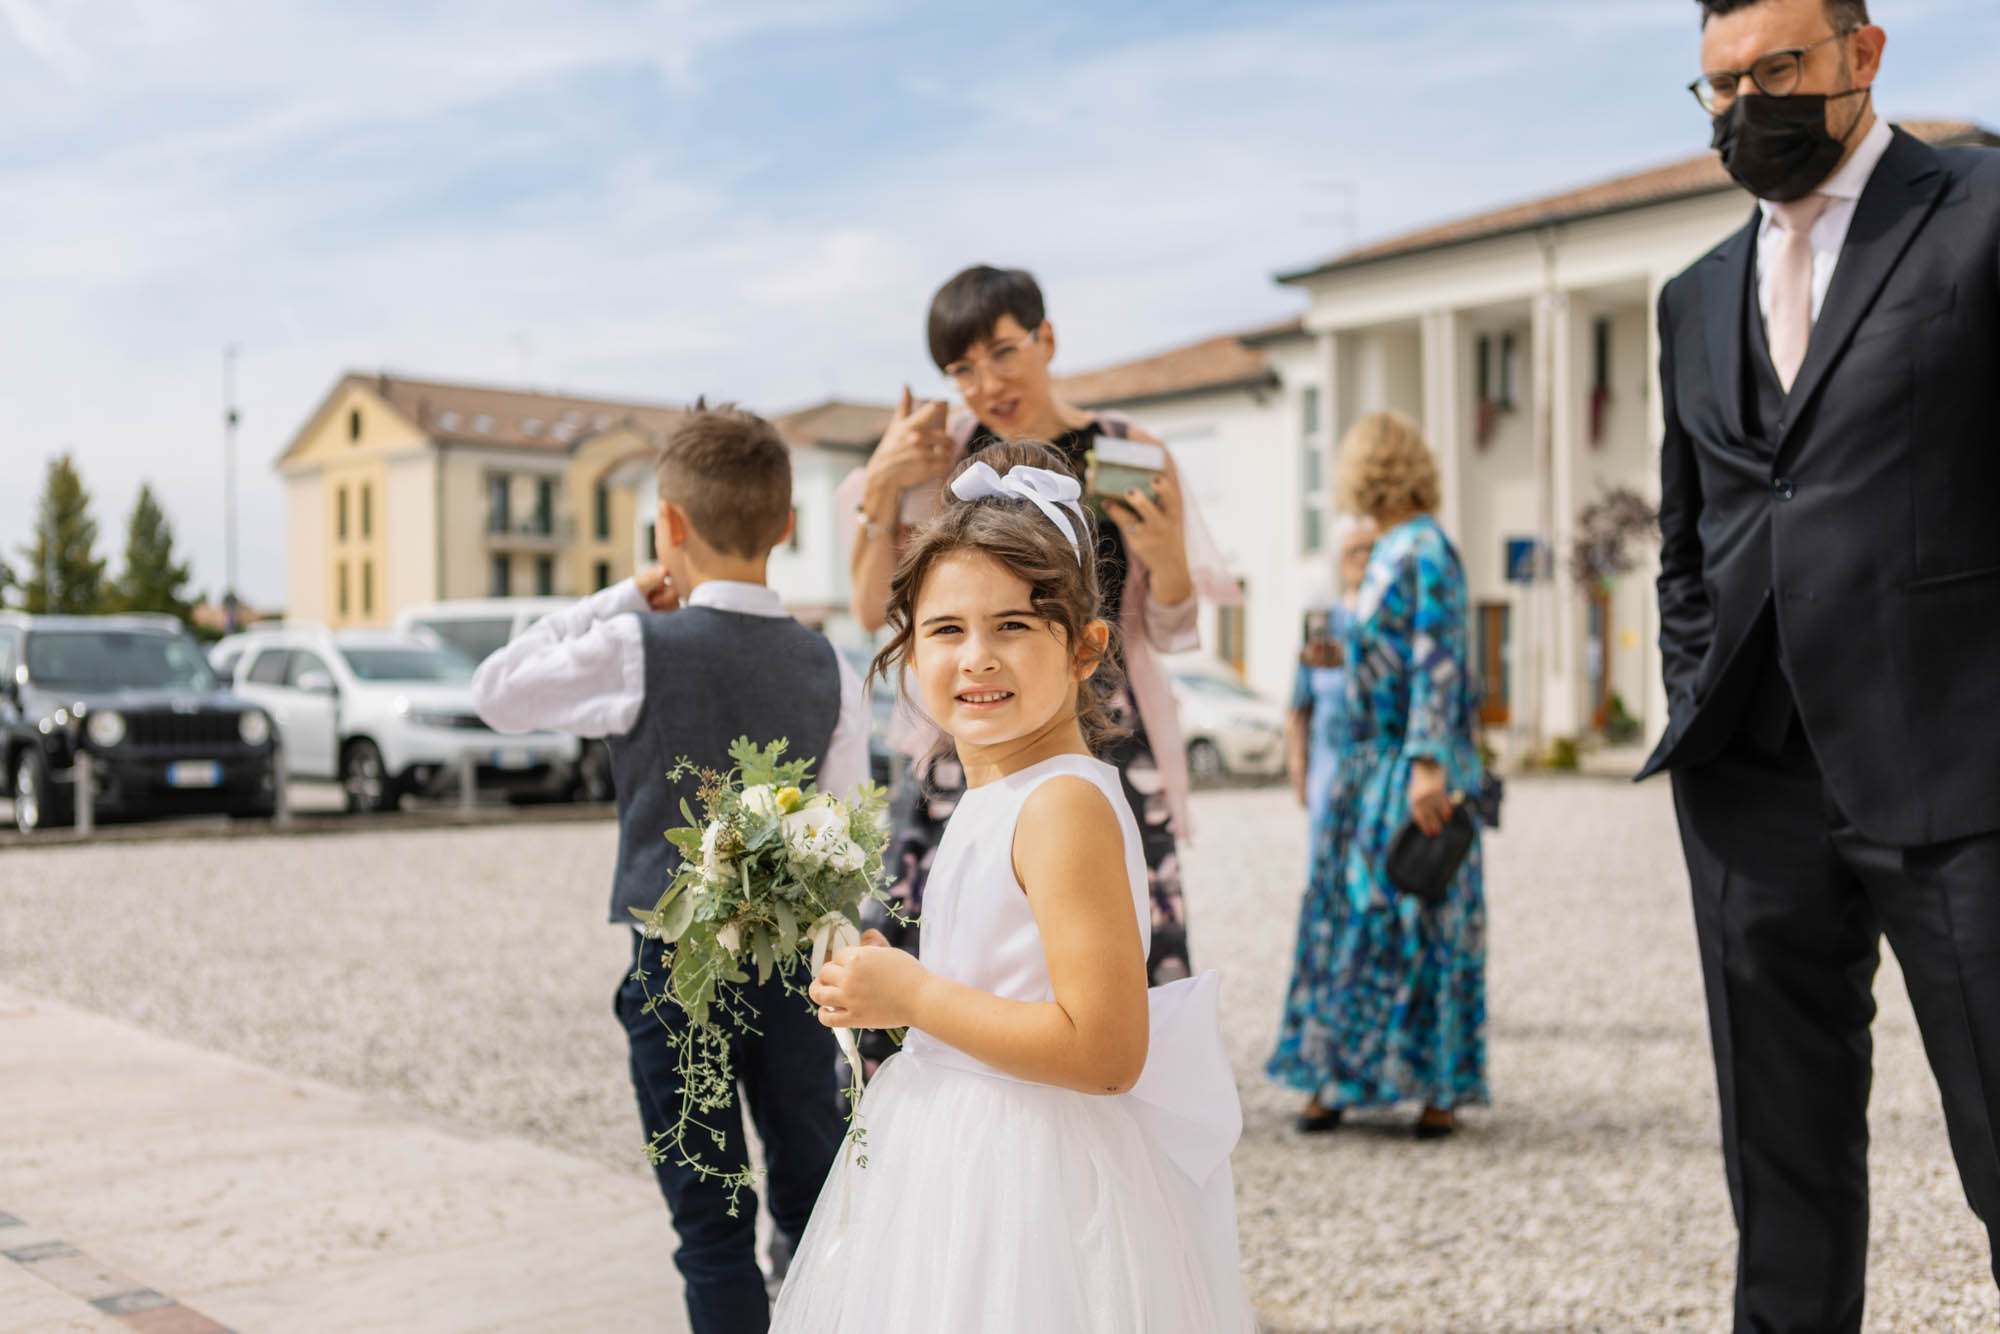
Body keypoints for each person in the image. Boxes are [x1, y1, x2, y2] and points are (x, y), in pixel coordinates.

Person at [1642, 1, 2000, 1324]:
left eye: (1779, 70)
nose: (1750, 106)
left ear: (1867, 52)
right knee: (1779, 1177)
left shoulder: (1978, 212)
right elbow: (1689, 534)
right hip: (1750, 783)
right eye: (1722, 84)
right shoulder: (1689, 299)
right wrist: (1696, 686)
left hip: (1962, 773)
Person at [771, 444, 1254, 1332]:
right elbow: (1001, 977)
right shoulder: (999, 790)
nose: (978, 658)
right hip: (955, 1155)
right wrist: (890, 980)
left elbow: (1105, 1052)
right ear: (908, 648)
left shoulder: (1062, 804)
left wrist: (914, 995)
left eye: (1015, 627)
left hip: (1036, 1177)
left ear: (1086, 649)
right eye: (947, 630)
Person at [471, 406, 872, 1334]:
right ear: (787, 525)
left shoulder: (635, 646)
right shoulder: (828, 667)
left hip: (674, 977)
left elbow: (497, 693)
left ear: (672, 526)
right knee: (812, 1215)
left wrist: (619, 597)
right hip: (793, 979)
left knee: (711, 1231)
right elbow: (842, 844)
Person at [836, 265, 1237, 995]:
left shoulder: (1123, 451)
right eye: (962, 368)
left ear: (1046, 338)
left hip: (1105, 726)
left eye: (1002, 352)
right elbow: (872, 611)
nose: (986, 382)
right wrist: (881, 486)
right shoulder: (939, 458)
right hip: (967, 732)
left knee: (1106, 938)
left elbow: (1174, 627)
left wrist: (1168, 560)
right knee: (926, 927)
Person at [1265, 412, 1487, 1139]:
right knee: (1355, 920)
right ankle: (1342, 1077)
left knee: (1413, 921)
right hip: (1366, 765)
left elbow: (1439, 658)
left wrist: (1428, 762)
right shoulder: (1396, 548)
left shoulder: (1425, 549)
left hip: (1405, 763)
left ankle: (1431, 1088)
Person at [1286, 516, 1378, 854]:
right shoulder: (1325, 622)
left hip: (1377, 766)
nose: (1364, 558)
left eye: (1371, 549)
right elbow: (1299, 703)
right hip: (1328, 765)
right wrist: (1298, 765)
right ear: (1340, 560)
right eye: (1354, 550)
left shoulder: (1390, 623)